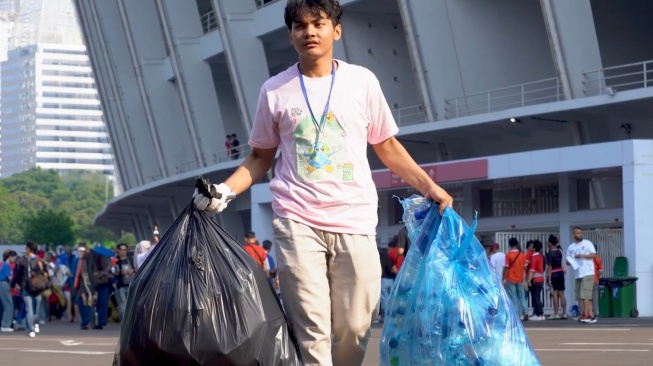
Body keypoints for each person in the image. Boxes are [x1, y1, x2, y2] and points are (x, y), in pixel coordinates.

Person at [192, 0, 453, 364]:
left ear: (336, 30)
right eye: (300, 26)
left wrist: (429, 186)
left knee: (355, 325)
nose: (309, 32)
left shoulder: (362, 82)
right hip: (296, 220)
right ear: (291, 35)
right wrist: (224, 191)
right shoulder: (275, 90)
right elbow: (259, 157)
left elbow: (387, 146)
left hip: (355, 219)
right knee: (311, 328)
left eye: (318, 23)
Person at [566, 227, 597, 323]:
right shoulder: (571, 247)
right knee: (580, 295)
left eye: (581, 233)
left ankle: (586, 314)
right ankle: (589, 314)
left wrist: (582, 255)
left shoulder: (587, 243)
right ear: (573, 234)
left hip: (587, 271)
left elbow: (594, 255)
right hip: (578, 273)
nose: (580, 235)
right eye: (578, 233)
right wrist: (568, 263)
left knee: (585, 295)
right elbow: (568, 259)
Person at [503, 238, 528, 321]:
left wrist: (503, 278)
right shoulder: (522, 255)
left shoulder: (508, 255)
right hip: (520, 278)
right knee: (522, 296)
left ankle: (516, 315)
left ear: (510, 245)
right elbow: (524, 268)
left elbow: (506, 267)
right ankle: (525, 311)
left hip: (511, 278)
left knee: (513, 297)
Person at [545, 235, 567, 319]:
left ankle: (556, 313)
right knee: (561, 293)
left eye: (548, 242)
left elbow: (550, 267)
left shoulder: (549, 254)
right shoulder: (560, 251)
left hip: (554, 274)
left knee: (555, 294)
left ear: (550, 243)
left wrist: (549, 279)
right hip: (560, 273)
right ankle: (564, 313)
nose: (547, 243)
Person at [527, 240, 545, 321]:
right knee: (537, 296)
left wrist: (528, 280)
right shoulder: (541, 256)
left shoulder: (534, 256)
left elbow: (532, 270)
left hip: (535, 278)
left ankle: (539, 313)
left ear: (534, 248)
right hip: (541, 278)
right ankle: (540, 314)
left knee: (535, 297)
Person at [1, 250, 17, 332]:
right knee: (9, 305)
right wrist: (16, 285)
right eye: (14, 257)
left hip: (3, 284)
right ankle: (5, 325)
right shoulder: (6, 265)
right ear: (10, 256)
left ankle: (5, 324)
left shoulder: (4, 265)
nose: (15, 259)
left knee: (7, 304)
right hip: (4, 284)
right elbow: (10, 278)